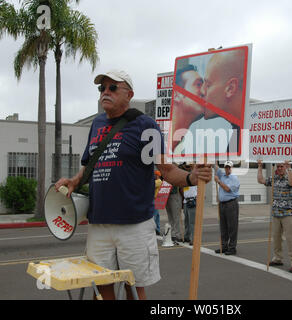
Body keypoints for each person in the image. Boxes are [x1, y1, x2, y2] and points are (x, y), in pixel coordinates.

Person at [54, 70, 212, 300]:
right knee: (102, 283)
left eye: (112, 87)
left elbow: (166, 170)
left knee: (133, 287)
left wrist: (191, 177)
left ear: (129, 94)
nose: (105, 92)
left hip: (134, 224)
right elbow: (89, 166)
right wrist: (74, 180)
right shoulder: (97, 124)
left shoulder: (145, 125)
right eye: (102, 88)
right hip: (99, 222)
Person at [257, 160, 292, 273]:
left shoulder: (291, 177)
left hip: (288, 213)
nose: (280, 168)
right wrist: (259, 166)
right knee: (276, 238)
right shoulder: (274, 178)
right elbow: (261, 180)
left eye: (282, 166)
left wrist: (290, 168)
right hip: (276, 213)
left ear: (285, 167)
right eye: (278, 167)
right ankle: (278, 258)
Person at [171, 64, 204, 154]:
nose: (204, 91)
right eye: (198, 84)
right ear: (177, 95)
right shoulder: (162, 145)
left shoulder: (174, 145)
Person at [214, 160, 240, 255]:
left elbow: (228, 189)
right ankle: (224, 246)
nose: (227, 169)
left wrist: (219, 182)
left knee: (232, 227)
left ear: (232, 168)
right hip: (222, 204)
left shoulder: (234, 178)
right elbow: (216, 167)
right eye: (226, 167)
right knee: (223, 226)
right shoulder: (222, 175)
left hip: (231, 204)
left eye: (229, 167)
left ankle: (232, 247)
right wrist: (215, 159)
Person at [181, 164, 197, 246]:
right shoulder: (186, 177)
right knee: (186, 221)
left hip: (192, 200)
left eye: (190, 167)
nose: (188, 168)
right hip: (186, 201)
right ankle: (187, 236)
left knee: (192, 222)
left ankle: (193, 239)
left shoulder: (195, 177)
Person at [153, 170, 162, 235]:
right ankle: (157, 229)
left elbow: (152, 184)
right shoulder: (156, 181)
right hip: (156, 199)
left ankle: (156, 229)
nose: (154, 176)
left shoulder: (159, 181)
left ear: (158, 175)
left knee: (154, 215)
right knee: (157, 215)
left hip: (155, 199)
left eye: (155, 175)